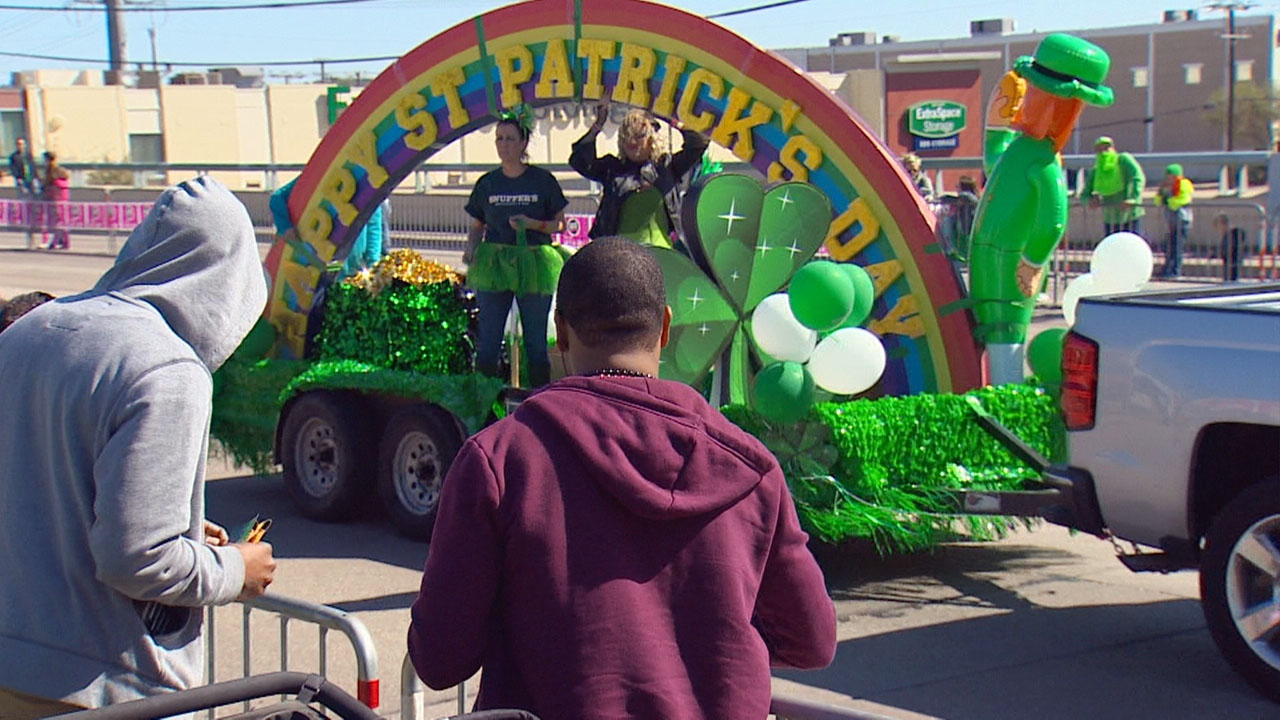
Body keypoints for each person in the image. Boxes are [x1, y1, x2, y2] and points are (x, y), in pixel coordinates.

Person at [408, 237, 836, 719]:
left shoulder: (501, 460)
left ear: (561, 333)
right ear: (666, 327)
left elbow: (440, 658)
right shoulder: (751, 468)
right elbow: (811, 642)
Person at [0, 176, 277, 717]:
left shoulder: (29, 331)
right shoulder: (167, 368)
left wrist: (185, 535)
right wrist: (236, 571)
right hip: (102, 688)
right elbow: (136, 560)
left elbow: (46, 493)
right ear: (230, 282)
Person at [464, 105, 569, 388]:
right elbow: (477, 226)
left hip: (533, 263)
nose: (503, 145)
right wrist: (471, 249)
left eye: (510, 138)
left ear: (523, 142)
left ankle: (539, 397)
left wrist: (532, 224)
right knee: (488, 341)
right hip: (494, 266)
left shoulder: (542, 181)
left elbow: (560, 224)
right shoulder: (487, 184)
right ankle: (484, 400)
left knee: (535, 343)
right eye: (499, 138)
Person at [570, 96, 708, 249]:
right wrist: (598, 124)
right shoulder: (612, 168)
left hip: (661, 251)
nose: (632, 141)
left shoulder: (667, 166)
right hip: (621, 251)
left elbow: (698, 144)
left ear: (651, 138)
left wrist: (671, 119)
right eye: (626, 135)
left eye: (639, 136)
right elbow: (580, 162)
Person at [1080, 136, 1145, 236]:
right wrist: (1090, 201)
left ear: (1113, 149)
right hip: (1110, 220)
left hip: (1130, 216)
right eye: (1100, 150)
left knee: (1132, 247)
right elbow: (1084, 195)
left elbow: (1138, 177)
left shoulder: (1123, 160)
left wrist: (1134, 199)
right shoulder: (1096, 171)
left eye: (1106, 148)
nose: (1104, 153)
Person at [1154, 163, 1193, 277]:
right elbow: (1157, 202)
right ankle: (1167, 270)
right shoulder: (1166, 187)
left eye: (1171, 176)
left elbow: (1180, 201)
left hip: (1181, 221)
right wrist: (1161, 194)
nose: (1168, 179)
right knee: (1169, 247)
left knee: (1177, 248)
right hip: (1171, 222)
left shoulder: (1183, 184)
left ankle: (1176, 271)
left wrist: (1168, 201)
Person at [41, 150, 71, 250]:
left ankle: (56, 241)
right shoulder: (60, 171)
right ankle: (64, 241)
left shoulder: (52, 171)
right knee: (61, 220)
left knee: (56, 221)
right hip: (62, 198)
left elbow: (47, 183)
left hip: (55, 198)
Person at [1213, 212, 1246, 281]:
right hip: (1231, 263)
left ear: (1223, 224)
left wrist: (1216, 253)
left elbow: (1227, 249)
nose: (1218, 230)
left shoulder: (1230, 236)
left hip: (1231, 264)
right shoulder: (1230, 235)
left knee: (1230, 279)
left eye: (1218, 227)